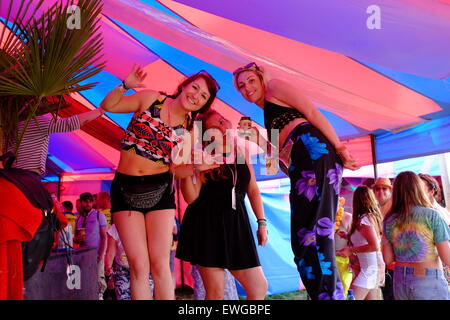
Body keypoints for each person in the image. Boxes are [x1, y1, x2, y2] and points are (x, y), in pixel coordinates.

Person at [232, 62, 359, 300]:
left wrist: (341, 149)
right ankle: (326, 296)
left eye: (250, 80)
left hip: (315, 151)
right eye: (241, 86)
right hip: (301, 166)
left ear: (261, 79)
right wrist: (259, 140)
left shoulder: (274, 88)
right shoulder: (268, 117)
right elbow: (282, 164)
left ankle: (331, 297)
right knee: (303, 241)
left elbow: (312, 113)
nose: (246, 88)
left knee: (316, 233)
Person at [100, 65, 220, 300]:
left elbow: (176, 170)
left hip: (159, 190)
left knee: (160, 265)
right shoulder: (150, 99)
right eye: (195, 87)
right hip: (125, 189)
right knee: (138, 265)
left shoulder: (190, 131)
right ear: (183, 85)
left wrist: (197, 167)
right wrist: (125, 85)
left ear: (204, 104)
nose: (196, 95)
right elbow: (108, 106)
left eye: (203, 96)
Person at [176, 109, 269, 300]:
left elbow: (253, 190)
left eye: (223, 120)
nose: (223, 125)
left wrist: (262, 223)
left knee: (259, 287)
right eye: (216, 124)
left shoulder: (240, 151)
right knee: (215, 293)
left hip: (237, 224)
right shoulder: (200, 155)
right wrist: (189, 169)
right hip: (206, 225)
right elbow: (191, 198)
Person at [382, 171, 450, 300]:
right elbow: (447, 258)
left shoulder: (389, 220)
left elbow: (387, 259)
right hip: (428, 281)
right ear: (418, 188)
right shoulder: (432, 215)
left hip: (400, 281)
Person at [337, 186, 385, 300]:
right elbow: (364, 239)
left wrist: (350, 250)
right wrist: (348, 236)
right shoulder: (367, 218)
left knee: (351, 297)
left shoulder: (365, 220)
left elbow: (374, 246)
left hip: (368, 270)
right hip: (368, 269)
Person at [104, 223, 154, 300]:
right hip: (122, 273)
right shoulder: (116, 227)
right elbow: (110, 253)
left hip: (143, 271)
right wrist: (109, 275)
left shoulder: (147, 223)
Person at [74, 192, 108, 300]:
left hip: (97, 255)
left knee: (98, 284)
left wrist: (101, 255)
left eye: (90, 201)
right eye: (85, 201)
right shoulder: (78, 219)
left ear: (93, 202)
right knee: (86, 282)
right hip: (83, 257)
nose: (88, 204)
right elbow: (76, 238)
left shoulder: (99, 215)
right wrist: (77, 239)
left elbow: (104, 237)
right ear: (81, 202)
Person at [418, 173, 450, 286]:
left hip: (442, 270)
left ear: (431, 191)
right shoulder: (434, 212)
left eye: (420, 189)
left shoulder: (435, 214)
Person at [371, 177, 395, 300]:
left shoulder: (395, 207)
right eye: (377, 189)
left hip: (395, 262)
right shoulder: (376, 209)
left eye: (384, 188)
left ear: (390, 191)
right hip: (382, 260)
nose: (381, 191)